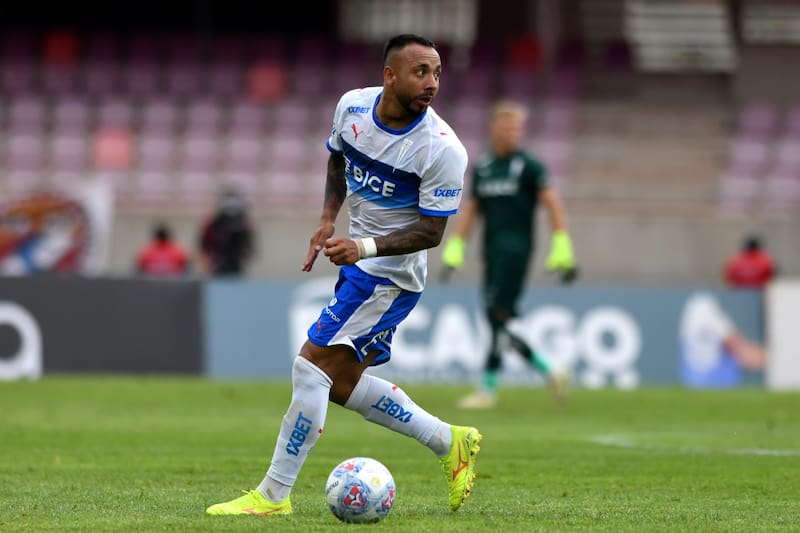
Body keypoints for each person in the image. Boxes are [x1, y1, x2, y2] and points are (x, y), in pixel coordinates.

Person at [206, 34, 481, 518]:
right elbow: (340, 158)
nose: (432, 83)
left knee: (309, 367)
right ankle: (448, 440)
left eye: (437, 73)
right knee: (341, 383)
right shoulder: (352, 108)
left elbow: (432, 232)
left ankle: (272, 495)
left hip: (389, 275)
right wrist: (329, 217)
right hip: (361, 267)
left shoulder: (441, 149)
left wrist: (363, 246)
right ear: (390, 75)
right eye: (421, 72)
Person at [440, 101, 576, 409]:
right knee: (498, 320)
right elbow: (472, 209)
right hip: (491, 253)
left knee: (497, 316)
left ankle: (488, 390)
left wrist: (562, 244)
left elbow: (553, 203)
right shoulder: (485, 167)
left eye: (518, 129)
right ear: (494, 129)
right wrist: (455, 248)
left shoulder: (529, 166)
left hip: (517, 253)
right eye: (508, 127)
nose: (513, 133)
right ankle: (550, 370)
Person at [198, 188, 255, 276]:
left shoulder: (245, 224)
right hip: (218, 265)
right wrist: (208, 262)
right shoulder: (212, 224)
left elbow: (249, 247)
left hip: (236, 265)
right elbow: (204, 246)